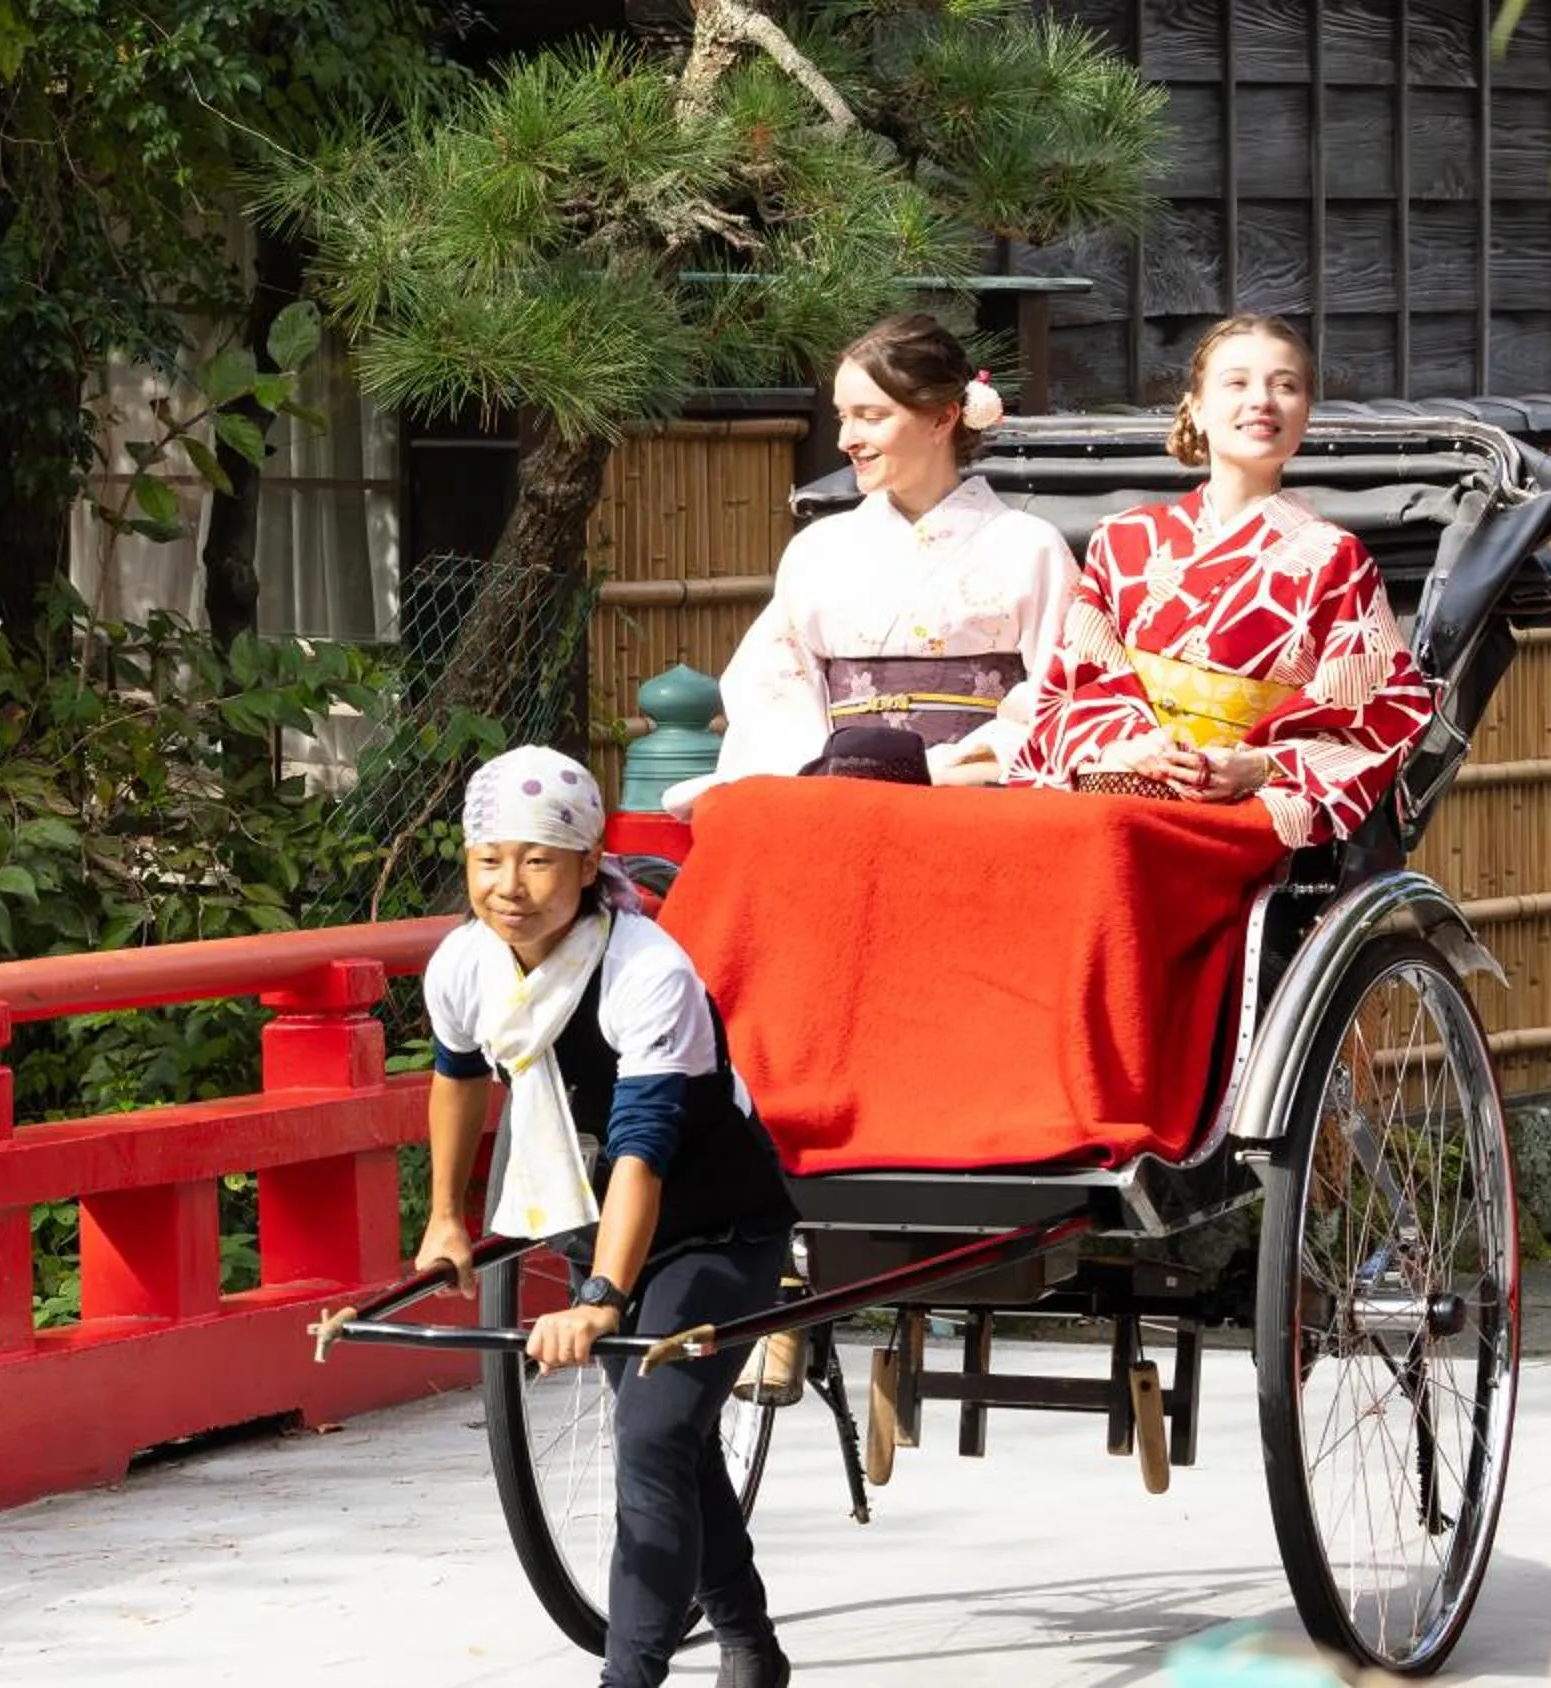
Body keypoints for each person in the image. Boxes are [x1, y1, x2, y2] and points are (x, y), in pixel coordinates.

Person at [415, 745, 801, 1688]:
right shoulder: (466, 963)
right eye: (489, 860)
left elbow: (643, 1149)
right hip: (604, 1226)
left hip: (718, 1229)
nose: (509, 886)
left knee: (657, 1435)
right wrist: (444, 1219)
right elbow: (458, 1076)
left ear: (590, 866)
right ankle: (751, 1646)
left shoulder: (645, 972)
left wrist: (599, 1297)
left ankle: (628, 1680)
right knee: (670, 1436)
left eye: (539, 860)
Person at [1008, 312, 1437, 848]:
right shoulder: (1123, 540)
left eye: (1286, 386)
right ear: (1196, 409)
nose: (1262, 400)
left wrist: (1256, 767)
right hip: (1122, 786)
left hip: (1243, 807)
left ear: (1305, 414)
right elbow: (1072, 688)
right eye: (1236, 383)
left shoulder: (1336, 559)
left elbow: (1382, 718)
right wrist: (1128, 746)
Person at [663, 313, 1076, 816]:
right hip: (837, 798)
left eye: (871, 416)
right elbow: (771, 685)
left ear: (944, 418)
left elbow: (1065, 689)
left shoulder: (1028, 547)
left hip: (975, 799)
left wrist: (957, 763)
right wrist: (830, 768)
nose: (846, 439)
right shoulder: (819, 551)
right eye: (843, 416)